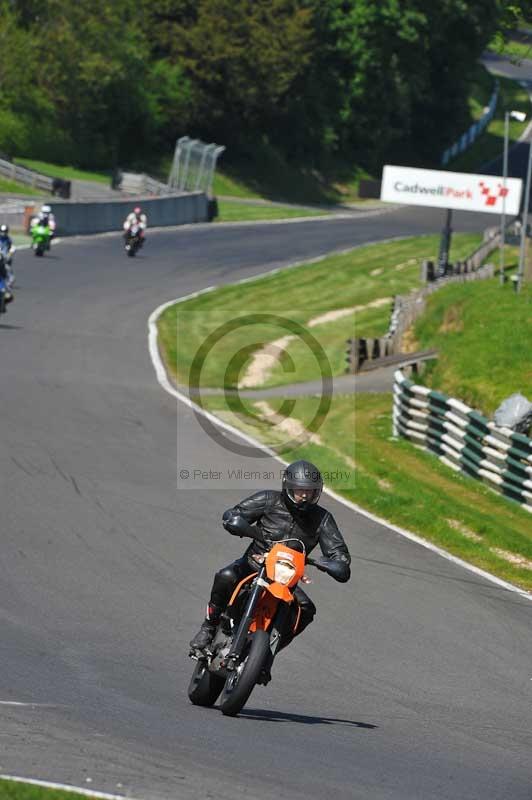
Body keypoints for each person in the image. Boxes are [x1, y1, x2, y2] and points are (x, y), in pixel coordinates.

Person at [189, 460, 351, 655]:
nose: (306, 496)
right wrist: (236, 522)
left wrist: (336, 563)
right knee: (226, 576)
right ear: (288, 487)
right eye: (301, 490)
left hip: (285, 578)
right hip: (253, 565)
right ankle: (209, 626)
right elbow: (235, 513)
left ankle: (267, 652)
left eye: (311, 492)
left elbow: (339, 552)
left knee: (306, 609)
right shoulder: (268, 499)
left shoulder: (322, 518)